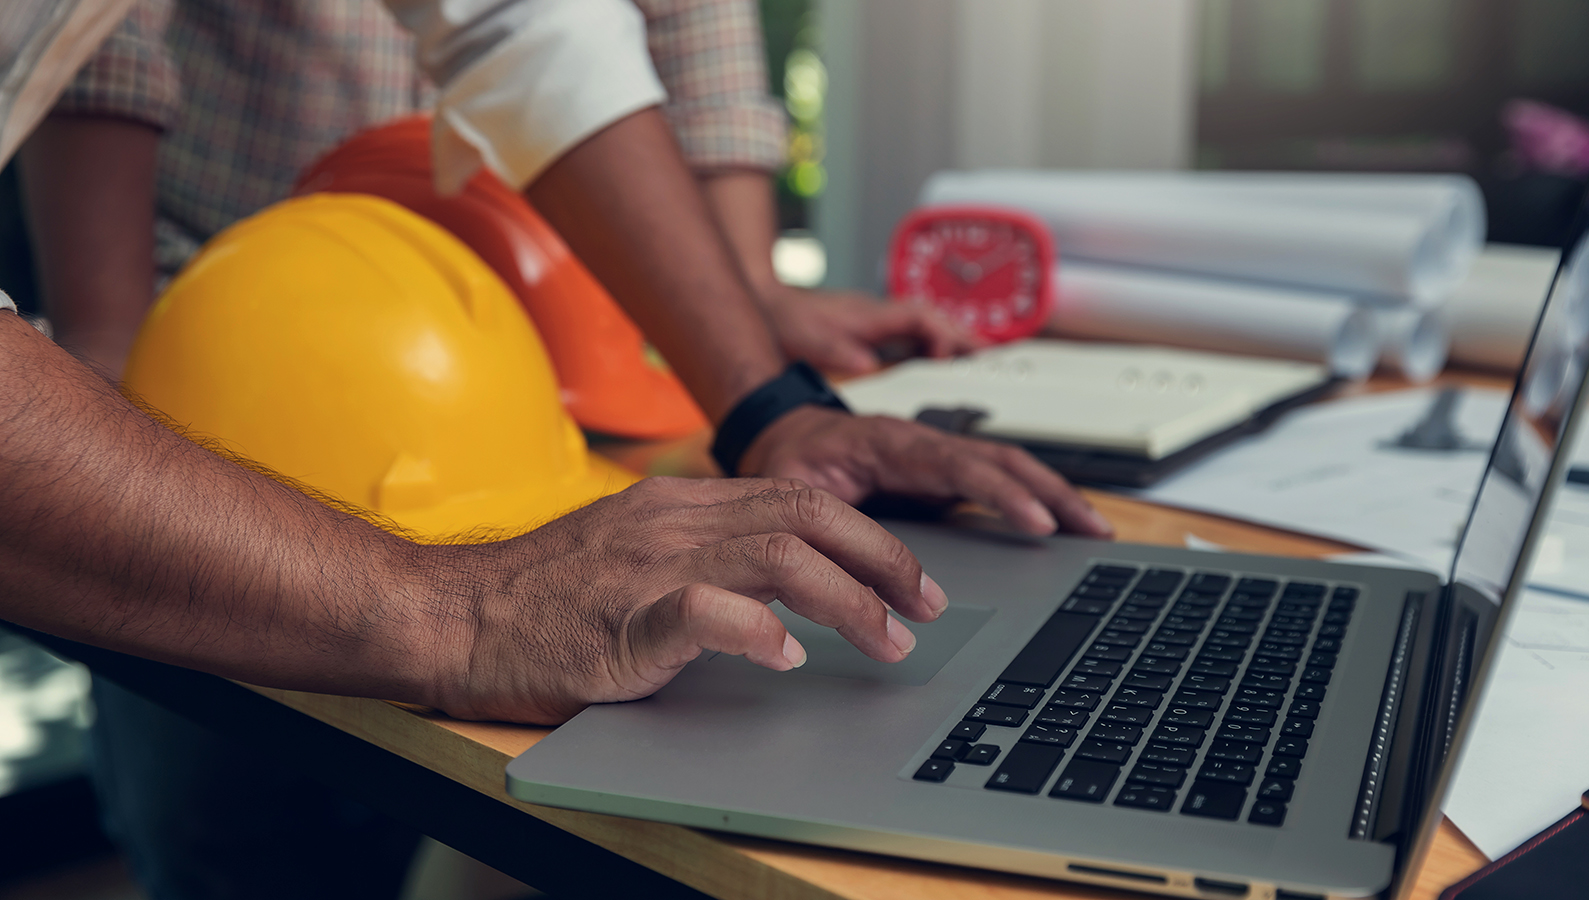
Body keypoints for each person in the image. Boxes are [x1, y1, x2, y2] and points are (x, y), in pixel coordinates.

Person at [2, 2, 1111, 897]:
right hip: (219, 331)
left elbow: (522, 24)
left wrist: (768, 401)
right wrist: (460, 612)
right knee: (228, 826)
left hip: (480, 355)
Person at [23, 0, 974, 379]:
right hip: (218, 284)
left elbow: (549, 24)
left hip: (529, 316)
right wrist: (108, 327)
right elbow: (104, 39)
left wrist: (752, 303)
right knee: (215, 768)